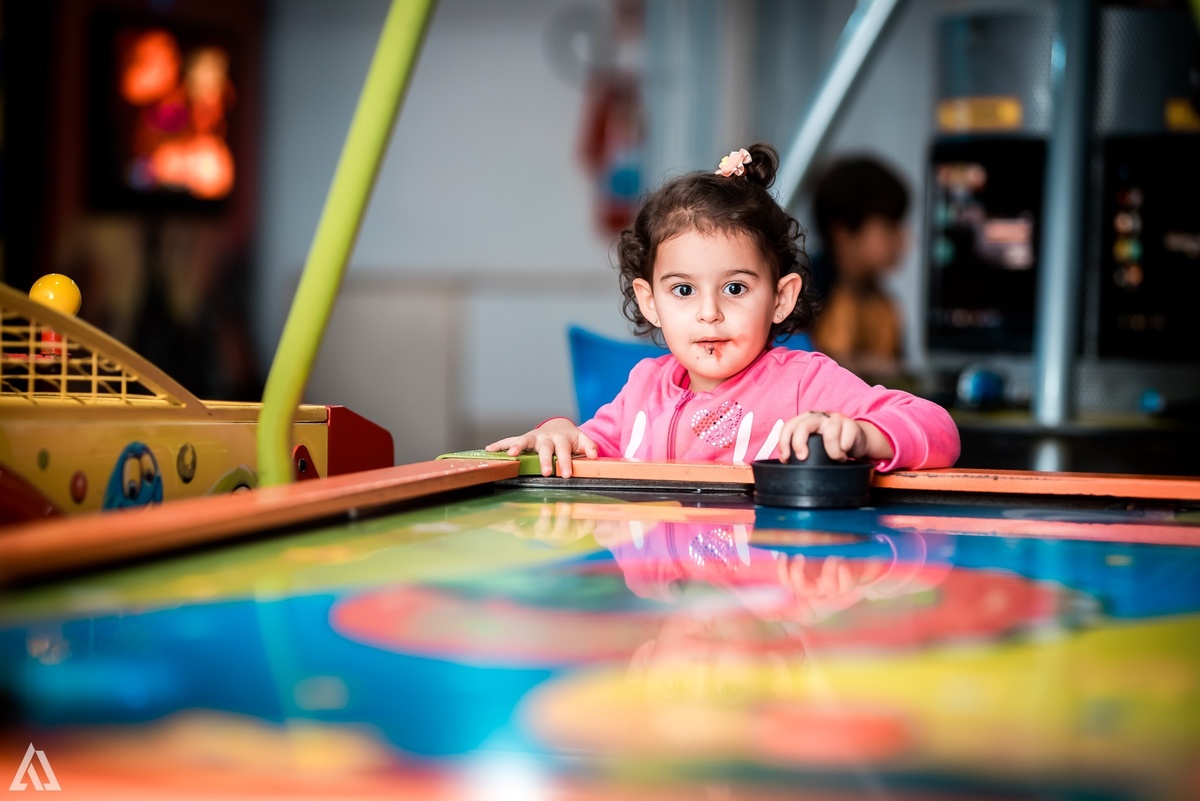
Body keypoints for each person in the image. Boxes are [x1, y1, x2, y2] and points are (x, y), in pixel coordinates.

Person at [486, 143, 959, 477]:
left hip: (759, 607)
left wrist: (859, 435)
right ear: (650, 302)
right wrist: (559, 432)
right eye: (684, 291)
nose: (709, 312)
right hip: (664, 610)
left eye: (734, 288)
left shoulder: (804, 383)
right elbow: (589, 444)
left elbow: (938, 429)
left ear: (781, 298)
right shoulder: (643, 392)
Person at [807, 155, 911, 377]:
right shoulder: (803, 293)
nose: (904, 239)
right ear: (843, 233)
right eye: (889, 226)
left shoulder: (887, 306)